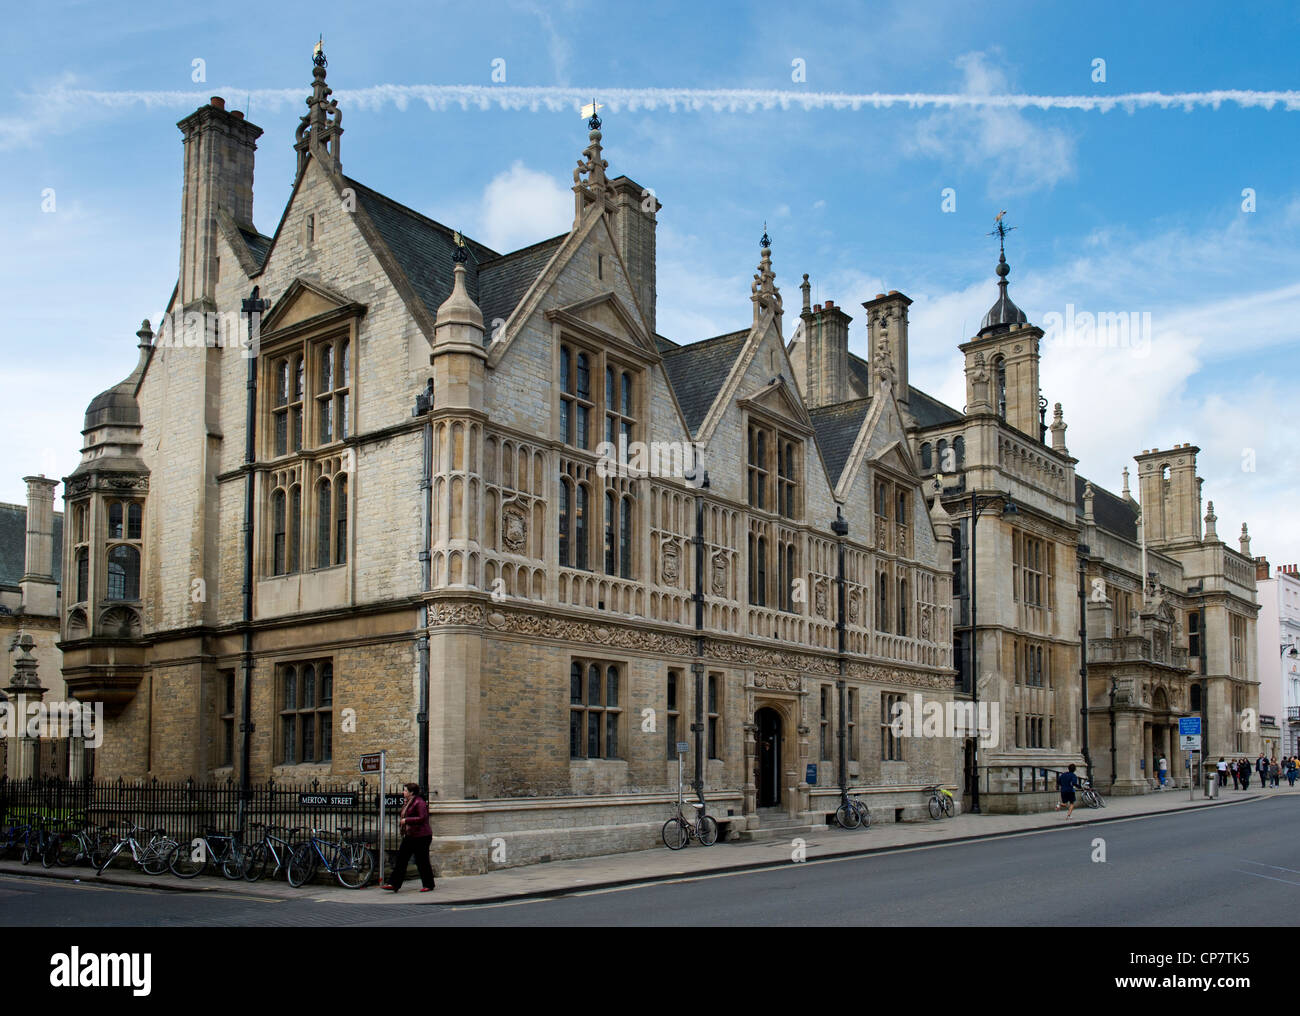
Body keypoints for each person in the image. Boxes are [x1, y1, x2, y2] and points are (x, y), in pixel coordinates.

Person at [381, 783, 435, 893]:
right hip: (411, 835)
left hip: (422, 836)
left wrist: (406, 820)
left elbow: (422, 817)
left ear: (411, 792)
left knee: (422, 861)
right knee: (401, 859)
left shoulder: (419, 802)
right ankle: (394, 884)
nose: (403, 792)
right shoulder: (409, 802)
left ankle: (429, 884)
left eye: (405, 791)